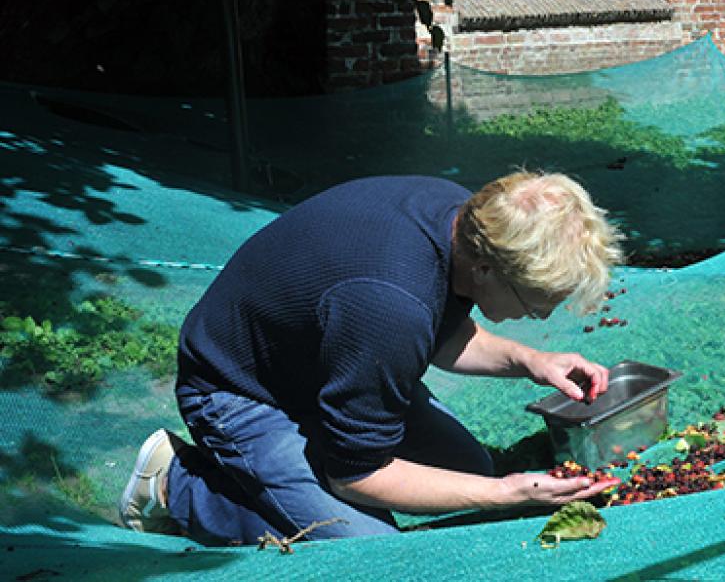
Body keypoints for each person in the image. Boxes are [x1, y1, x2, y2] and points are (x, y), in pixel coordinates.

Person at [117, 171, 625, 545]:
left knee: (469, 466)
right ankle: (175, 483)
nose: (540, 316)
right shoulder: (390, 306)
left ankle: (306, 449)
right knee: (369, 551)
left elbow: (443, 332)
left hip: (321, 364)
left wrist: (531, 360)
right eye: (536, 302)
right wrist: (506, 494)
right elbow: (357, 475)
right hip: (237, 392)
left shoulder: (463, 217)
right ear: (488, 266)